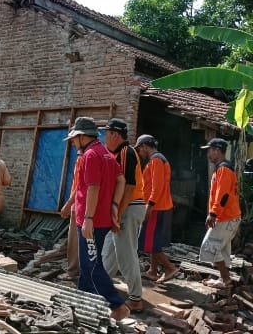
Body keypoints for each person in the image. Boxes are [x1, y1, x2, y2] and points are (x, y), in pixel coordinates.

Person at [64, 117, 130, 321]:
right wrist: (114, 205)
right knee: (87, 264)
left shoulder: (91, 155)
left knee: (92, 266)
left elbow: (93, 187)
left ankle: (117, 305)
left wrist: (89, 218)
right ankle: (84, 299)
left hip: (92, 220)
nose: (73, 143)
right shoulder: (107, 155)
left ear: (83, 137)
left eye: (75, 139)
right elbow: (121, 180)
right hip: (98, 219)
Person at [101, 118, 146, 313]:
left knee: (126, 253)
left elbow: (129, 186)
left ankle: (136, 298)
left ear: (114, 135)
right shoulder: (116, 153)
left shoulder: (127, 152)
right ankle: (100, 287)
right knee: (109, 251)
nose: (104, 137)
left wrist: (117, 214)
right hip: (123, 208)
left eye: (106, 133)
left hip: (129, 207)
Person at [134, 134, 179, 284]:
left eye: (139, 149)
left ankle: (169, 268)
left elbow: (157, 186)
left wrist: (149, 206)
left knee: (149, 242)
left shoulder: (156, 160)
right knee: (154, 241)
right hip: (160, 206)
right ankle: (153, 271)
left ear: (145, 146)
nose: (139, 153)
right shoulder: (157, 160)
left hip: (157, 208)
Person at [199, 138, 241, 289]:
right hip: (230, 217)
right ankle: (224, 279)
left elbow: (223, 195)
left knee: (208, 247)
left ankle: (225, 280)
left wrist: (213, 213)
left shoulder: (223, 169)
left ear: (217, 150)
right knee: (221, 249)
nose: (208, 154)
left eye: (209, 151)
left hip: (225, 217)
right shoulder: (224, 168)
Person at [58, 135, 82, 281]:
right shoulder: (97, 153)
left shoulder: (83, 157)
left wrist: (68, 204)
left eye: (73, 140)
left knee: (74, 240)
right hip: (84, 204)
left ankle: (73, 271)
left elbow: (80, 185)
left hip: (79, 204)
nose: (72, 143)